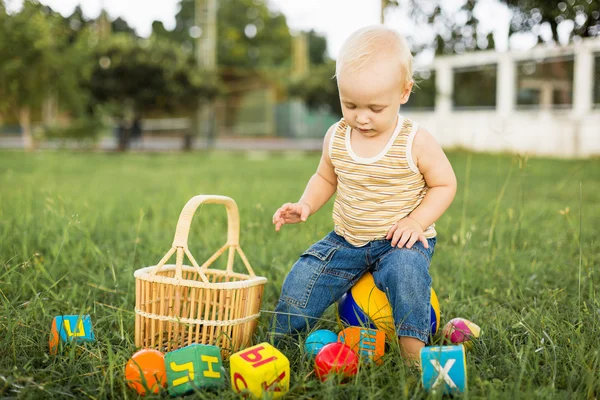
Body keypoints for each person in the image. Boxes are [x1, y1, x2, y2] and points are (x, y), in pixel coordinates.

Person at [271, 25, 457, 367]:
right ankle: (279, 345)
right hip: (347, 240)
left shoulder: (415, 140)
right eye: (350, 104)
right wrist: (306, 204)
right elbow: (325, 177)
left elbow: (445, 184)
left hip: (399, 241)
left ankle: (413, 353)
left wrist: (416, 221)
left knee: (407, 274)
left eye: (375, 107)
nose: (361, 117)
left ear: (404, 92)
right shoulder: (337, 136)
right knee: (304, 275)